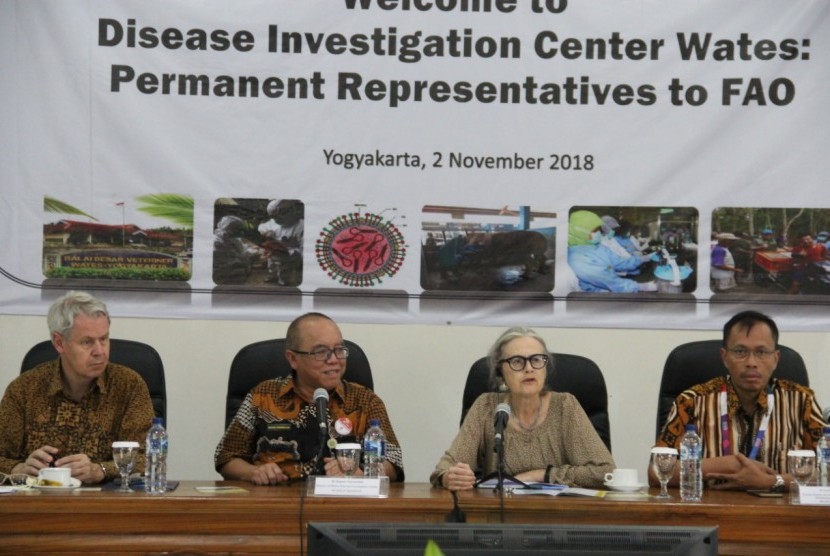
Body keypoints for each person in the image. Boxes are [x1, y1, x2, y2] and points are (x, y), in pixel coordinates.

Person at [215, 312, 404, 484]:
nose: (334, 360)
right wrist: (252, 472)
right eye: (321, 352)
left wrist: (362, 473)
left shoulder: (365, 400)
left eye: (339, 349)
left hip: (342, 508)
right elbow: (226, 457)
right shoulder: (262, 396)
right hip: (275, 505)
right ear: (293, 359)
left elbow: (393, 462)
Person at [651, 311, 827, 492]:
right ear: (724, 357)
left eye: (761, 352)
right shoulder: (692, 402)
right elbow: (656, 472)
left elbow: (827, 471)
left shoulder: (801, 401)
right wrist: (724, 464)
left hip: (780, 516)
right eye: (741, 352)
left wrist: (772, 481)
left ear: (776, 359)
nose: (752, 362)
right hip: (711, 513)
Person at [430, 327, 614, 490]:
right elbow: (444, 468)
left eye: (536, 360)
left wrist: (543, 475)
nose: (529, 368)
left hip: (558, 520)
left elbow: (605, 472)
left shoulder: (565, 406)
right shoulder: (486, 407)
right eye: (517, 361)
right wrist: (449, 477)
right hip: (498, 519)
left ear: (545, 367)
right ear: (500, 372)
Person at [0, 291, 154, 484]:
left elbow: (148, 458)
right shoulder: (24, 389)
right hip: (40, 505)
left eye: (104, 339)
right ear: (59, 343)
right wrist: (18, 468)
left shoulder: (129, 386)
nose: (99, 351)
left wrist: (101, 470)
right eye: (87, 342)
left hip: (106, 506)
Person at [567, 210, 658, 293]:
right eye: (595, 231)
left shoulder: (597, 247)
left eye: (599, 230)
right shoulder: (576, 257)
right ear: (582, 232)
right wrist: (641, 287)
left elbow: (619, 262)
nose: (599, 233)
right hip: (596, 299)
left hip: (615, 288)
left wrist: (645, 258)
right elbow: (607, 280)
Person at [257, 199, 304, 286]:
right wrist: (268, 231)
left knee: (284, 269)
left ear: (289, 212)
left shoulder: (300, 226)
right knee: (271, 265)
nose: (276, 220)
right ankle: (272, 276)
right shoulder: (274, 223)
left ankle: (283, 281)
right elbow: (261, 227)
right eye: (274, 218)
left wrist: (294, 254)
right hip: (273, 252)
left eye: (278, 217)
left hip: (288, 254)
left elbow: (303, 246)